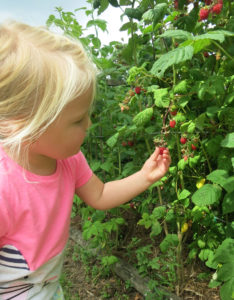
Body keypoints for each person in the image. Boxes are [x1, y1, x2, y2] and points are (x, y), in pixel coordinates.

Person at [0, 20, 171, 300]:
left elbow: (100, 194)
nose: (89, 124)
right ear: (24, 124)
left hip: (49, 287)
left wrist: (144, 176)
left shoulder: (69, 160)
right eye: (78, 119)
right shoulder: (4, 186)